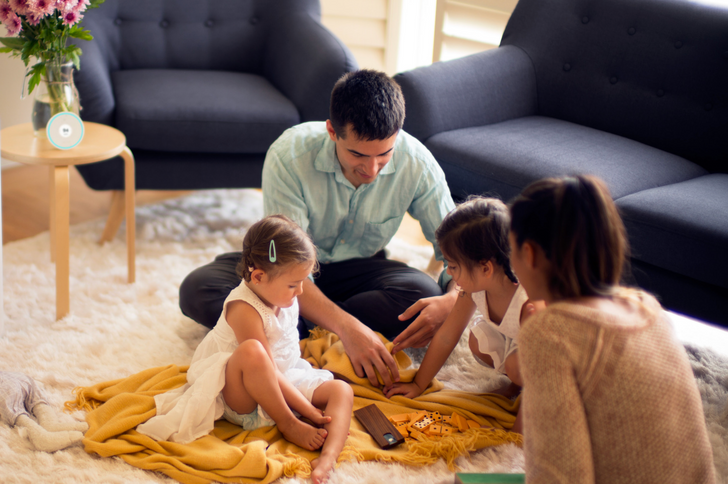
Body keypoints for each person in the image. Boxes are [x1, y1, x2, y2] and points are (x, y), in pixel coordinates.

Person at [180, 69, 458, 389]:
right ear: (332, 131)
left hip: (359, 270)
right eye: (357, 154)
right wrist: (349, 328)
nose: (371, 169)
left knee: (425, 293)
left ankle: (293, 329)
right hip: (286, 271)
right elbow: (282, 263)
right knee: (198, 289)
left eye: (385, 154)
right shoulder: (289, 155)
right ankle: (323, 328)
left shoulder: (418, 164)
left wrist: (451, 300)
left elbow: (457, 249)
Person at [509, 175, 716, 483]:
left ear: (530, 253)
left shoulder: (549, 332)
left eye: (511, 251)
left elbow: (561, 474)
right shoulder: (648, 308)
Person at [138, 215, 354, 484]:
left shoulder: (285, 294)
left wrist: (306, 395)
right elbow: (267, 367)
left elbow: (282, 365)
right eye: (293, 284)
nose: (300, 291)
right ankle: (288, 423)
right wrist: (308, 412)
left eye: (303, 281)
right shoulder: (244, 308)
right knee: (252, 350)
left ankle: (327, 458)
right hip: (242, 393)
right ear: (259, 276)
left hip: (284, 378)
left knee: (342, 389)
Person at [385, 197, 540, 431]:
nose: (448, 272)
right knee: (478, 342)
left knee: (517, 365)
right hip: (521, 343)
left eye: (453, 266)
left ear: (485, 268)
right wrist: (418, 384)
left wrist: (519, 432)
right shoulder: (473, 286)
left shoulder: (530, 304)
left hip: (557, 358)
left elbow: (542, 369)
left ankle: (519, 384)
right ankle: (516, 383)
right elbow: (448, 334)